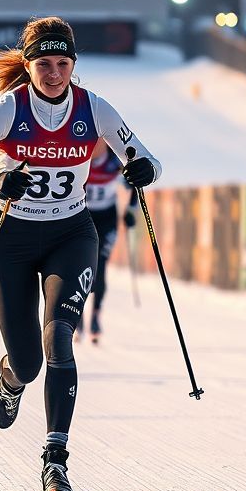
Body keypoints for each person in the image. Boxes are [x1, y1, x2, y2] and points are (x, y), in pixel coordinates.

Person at [0, 16, 160, 491]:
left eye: (63, 63)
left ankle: (55, 460)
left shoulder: (94, 108)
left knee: (59, 335)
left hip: (71, 233)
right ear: (29, 64)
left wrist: (144, 168)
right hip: (10, 238)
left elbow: (147, 159)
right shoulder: (8, 108)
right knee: (28, 361)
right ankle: (11, 377)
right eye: (44, 63)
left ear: (74, 65)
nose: (54, 73)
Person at [79, 138, 136, 345]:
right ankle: (77, 316)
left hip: (107, 219)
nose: (94, 147)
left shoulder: (115, 161)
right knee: (81, 267)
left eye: (99, 142)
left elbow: (135, 184)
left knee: (100, 266)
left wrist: (131, 211)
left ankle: (95, 316)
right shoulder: (80, 157)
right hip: (83, 218)